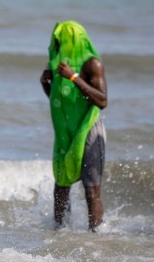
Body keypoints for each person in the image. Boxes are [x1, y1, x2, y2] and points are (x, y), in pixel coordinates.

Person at [39, 21, 108, 230]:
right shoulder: (57, 64)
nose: (56, 47)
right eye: (55, 43)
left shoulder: (91, 64)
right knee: (60, 186)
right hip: (65, 134)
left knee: (91, 189)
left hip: (89, 129)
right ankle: (60, 233)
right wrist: (46, 84)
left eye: (61, 42)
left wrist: (73, 77)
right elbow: (61, 103)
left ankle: (95, 235)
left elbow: (102, 101)